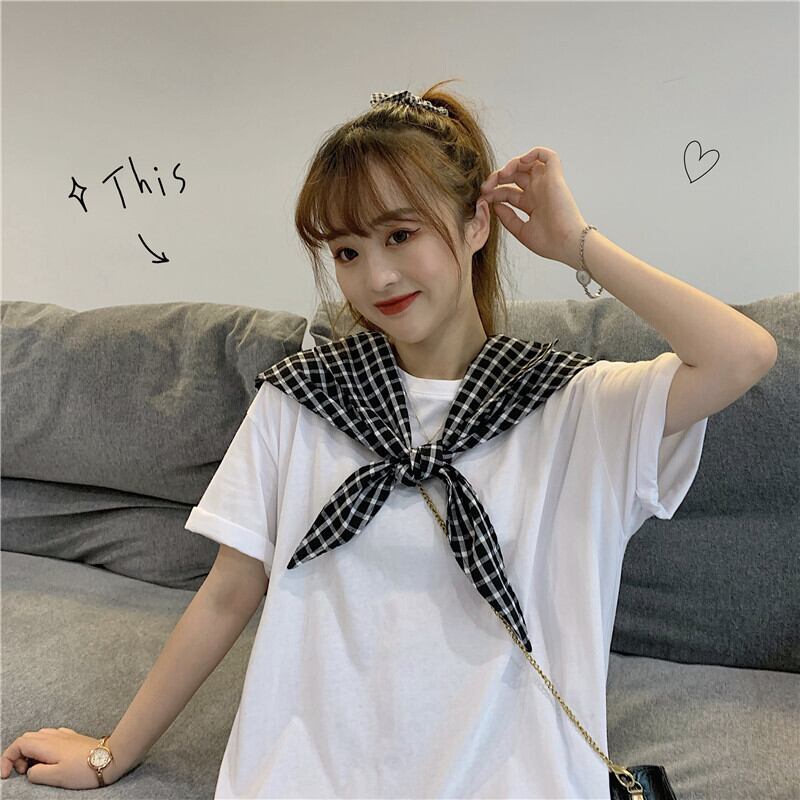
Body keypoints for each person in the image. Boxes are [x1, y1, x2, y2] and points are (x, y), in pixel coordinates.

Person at [3, 77, 734, 797]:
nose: (377, 276)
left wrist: (577, 244)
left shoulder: (578, 408)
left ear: (476, 225)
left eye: (401, 235)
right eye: (347, 251)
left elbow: (740, 357)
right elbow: (228, 593)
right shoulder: (304, 398)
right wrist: (110, 754)